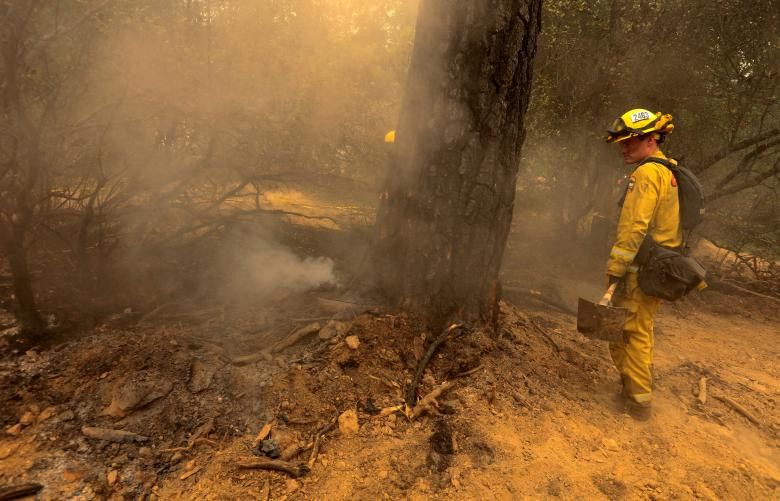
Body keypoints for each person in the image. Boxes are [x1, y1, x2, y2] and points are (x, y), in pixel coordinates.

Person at [604, 108, 679, 420]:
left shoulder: (646, 174)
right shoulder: (666, 170)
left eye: (629, 142)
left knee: (631, 333)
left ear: (651, 139)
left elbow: (634, 228)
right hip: (657, 268)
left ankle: (637, 402)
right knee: (638, 330)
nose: (624, 148)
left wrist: (615, 269)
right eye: (621, 143)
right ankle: (635, 390)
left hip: (641, 270)